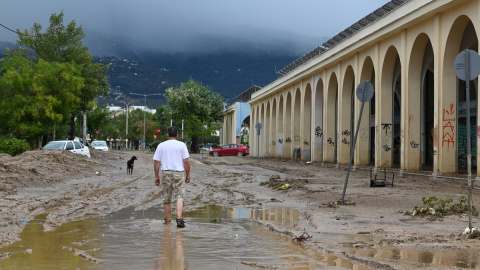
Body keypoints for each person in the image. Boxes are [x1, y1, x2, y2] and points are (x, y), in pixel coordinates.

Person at [153, 126, 191, 228]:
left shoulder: (161, 145)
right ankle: (179, 219)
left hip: (166, 173)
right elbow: (186, 161)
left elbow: (157, 161)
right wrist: (188, 174)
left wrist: (156, 176)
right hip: (179, 173)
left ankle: (167, 221)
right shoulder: (182, 145)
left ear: (167, 135)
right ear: (177, 135)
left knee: (166, 198)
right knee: (179, 197)